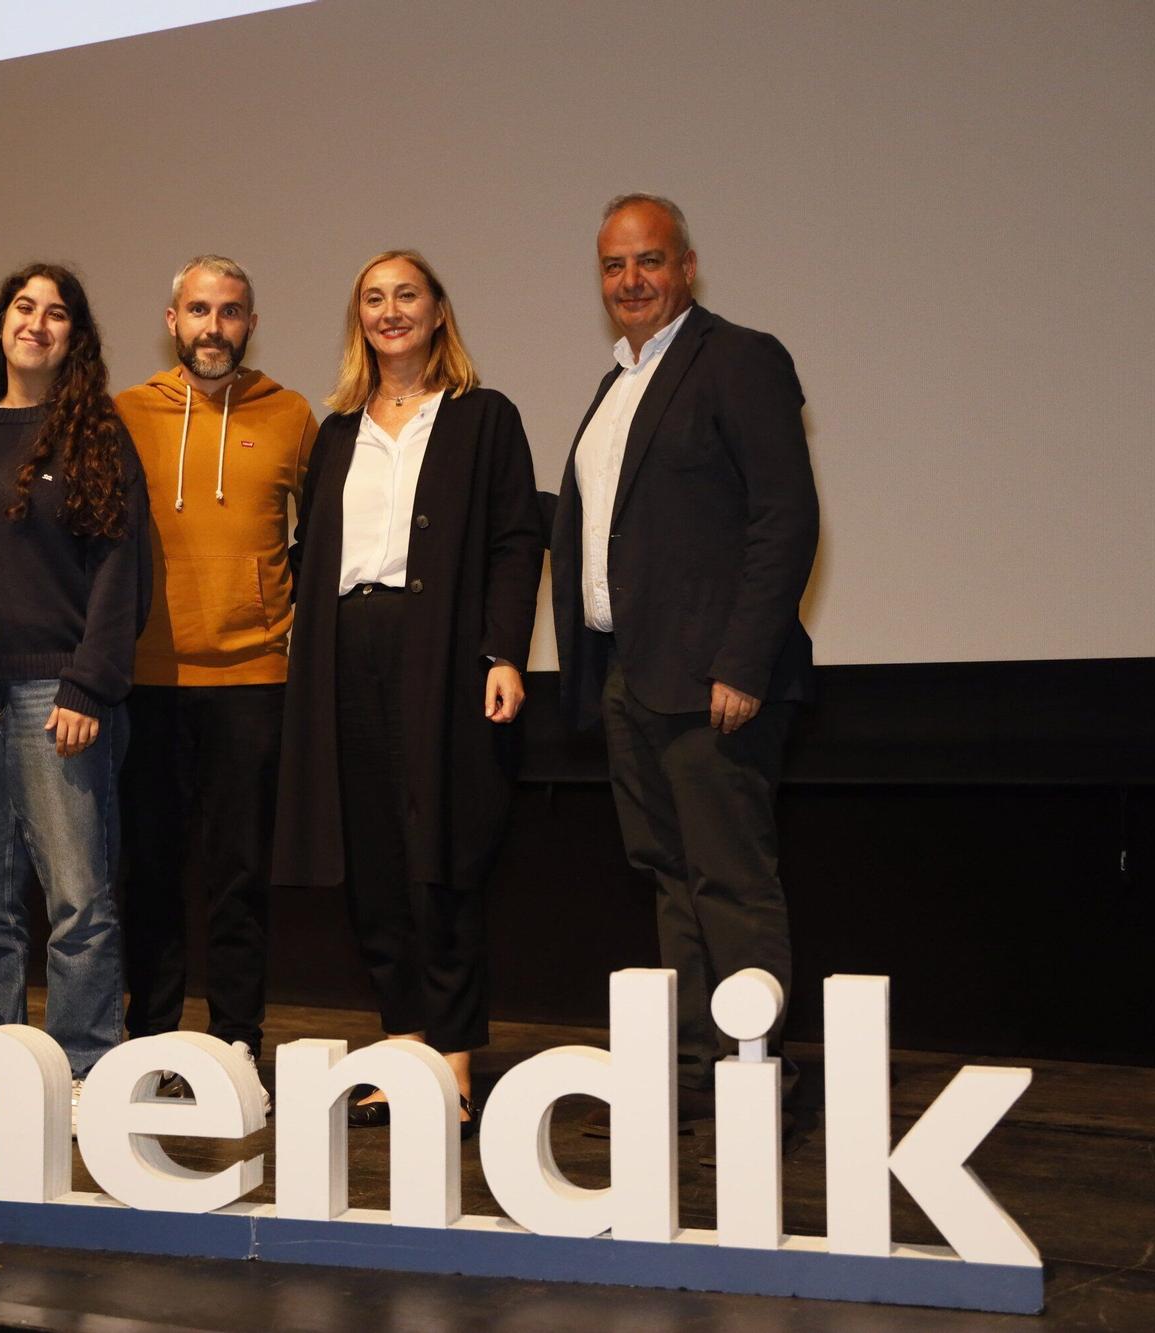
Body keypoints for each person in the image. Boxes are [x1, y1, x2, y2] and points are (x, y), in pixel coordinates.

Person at [543, 195, 819, 1134]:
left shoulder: (737, 358)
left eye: (649, 261)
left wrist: (742, 661)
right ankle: (700, 1065)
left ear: (687, 266)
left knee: (731, 883)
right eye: (615, 266)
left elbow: (787, 516)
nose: (631, 281)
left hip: (714, 684)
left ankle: (756, 1074)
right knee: (668, 874)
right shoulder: (618, 382)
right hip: (632, 675)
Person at [272, 250, 544, 1133]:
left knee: (445, 857)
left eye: (407, 296)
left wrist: (503, 652)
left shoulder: (482, 418)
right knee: (376, 860)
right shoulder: (340, 429)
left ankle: (455, 1058)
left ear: (436, 312)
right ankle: (402, 1048)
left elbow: (513, 543)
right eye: (374, 299)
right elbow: (312, 554)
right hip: (348, 651)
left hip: (442, 654)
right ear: (361, 319)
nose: (391, 311)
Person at [0, 263, 150, 1131]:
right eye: (24, 307)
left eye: (56, 313)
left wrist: (88, 683)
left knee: (78, 898)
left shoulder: (97, 433)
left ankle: (85, 1066)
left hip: (58, 693)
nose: (37, 322)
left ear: (75, 337)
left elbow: (121, 571)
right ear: (1, 325)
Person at [113, 256, 317, 1102]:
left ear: (251, 322)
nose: (214, 326)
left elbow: (332, 533)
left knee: (238, 876)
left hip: (255, 679)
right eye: (199, 309)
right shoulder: (126, 414)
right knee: (149, 875)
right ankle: (149, 1044)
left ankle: (237, 1043)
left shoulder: (294, 414)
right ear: (172, 319)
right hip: (146, 682)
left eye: (230, 312)